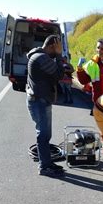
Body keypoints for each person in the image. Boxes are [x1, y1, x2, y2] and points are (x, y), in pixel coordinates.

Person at [26, 35, 66, 177]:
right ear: (51, 46)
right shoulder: (41, 58)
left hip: (39, 100)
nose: (60, 49)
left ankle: (47, 162)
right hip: (40, 101)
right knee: (43, 135)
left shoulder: (39, 56)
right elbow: (59, 74)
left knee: (45, 135)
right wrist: (60, 55)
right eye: (58, 47)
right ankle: (44, 166)